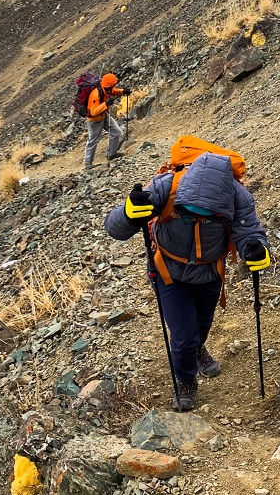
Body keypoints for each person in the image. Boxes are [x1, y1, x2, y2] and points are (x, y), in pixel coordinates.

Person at [104, 150, 270, 410]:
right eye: (191, 213)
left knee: (202, 325)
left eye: (207, 216)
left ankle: (196, 349)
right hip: (168, 271)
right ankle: (186, 379)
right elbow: (115, 229)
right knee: (183, 336)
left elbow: (248, 230)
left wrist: (256, 248)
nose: (198, 218)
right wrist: (128, 212)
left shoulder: (238, 196)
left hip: (210, 272)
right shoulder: (164, 187)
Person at [84, 73, 129, 170]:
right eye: (113, 85)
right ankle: (88, 162)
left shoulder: (106, 89)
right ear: (108, 85)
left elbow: (113, 92)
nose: (114, 86)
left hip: (103, 115)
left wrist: (123, 91)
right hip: (94, 120)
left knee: (116, 132)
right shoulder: (96, 95)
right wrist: (106, 104)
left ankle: (111, 154)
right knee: (93, 140)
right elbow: (93, 112)